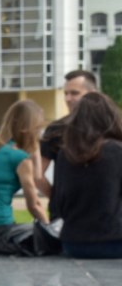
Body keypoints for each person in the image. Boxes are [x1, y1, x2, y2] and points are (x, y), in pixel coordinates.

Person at [0, 99, 49, 256]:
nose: (39, 133)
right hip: (0, 235)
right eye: (38, 128)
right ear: (27, 128)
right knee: (59, 236)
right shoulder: (19, 158)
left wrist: (35, 147)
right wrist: (50, 230)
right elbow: (34, 205)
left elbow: (37, 177)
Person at [52, 92, 122, 258]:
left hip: (74, 243)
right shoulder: (117, 151)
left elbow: (58, 202)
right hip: (114, 240)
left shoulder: (65, 154)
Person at [37, 69, 98, 201]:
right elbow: (37, 173)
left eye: (74, 93)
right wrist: (57, 200)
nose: (68, 99)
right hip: (67, 211)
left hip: (105, 211)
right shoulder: (56, 129)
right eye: (66, 93)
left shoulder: (110, 126)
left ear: (92, 94)